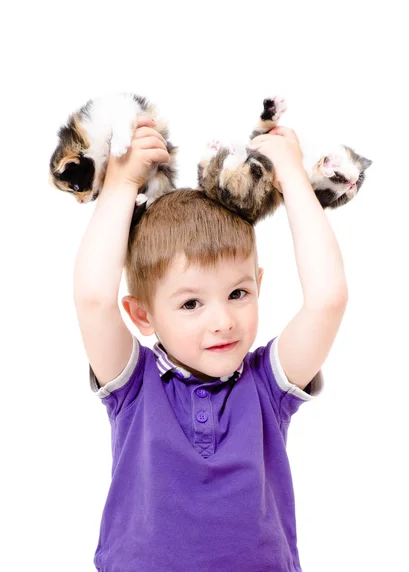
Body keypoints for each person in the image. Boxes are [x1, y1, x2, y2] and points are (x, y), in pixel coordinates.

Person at [74, 115, 348, 571]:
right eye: (190, 304)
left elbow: (327, 301)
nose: (222, 321)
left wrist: (293, 177)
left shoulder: (267, 387)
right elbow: (93, 298)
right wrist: (121, 185)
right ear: (142, 314)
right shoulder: (134, 386)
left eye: (238, 294)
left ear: (258, 286)